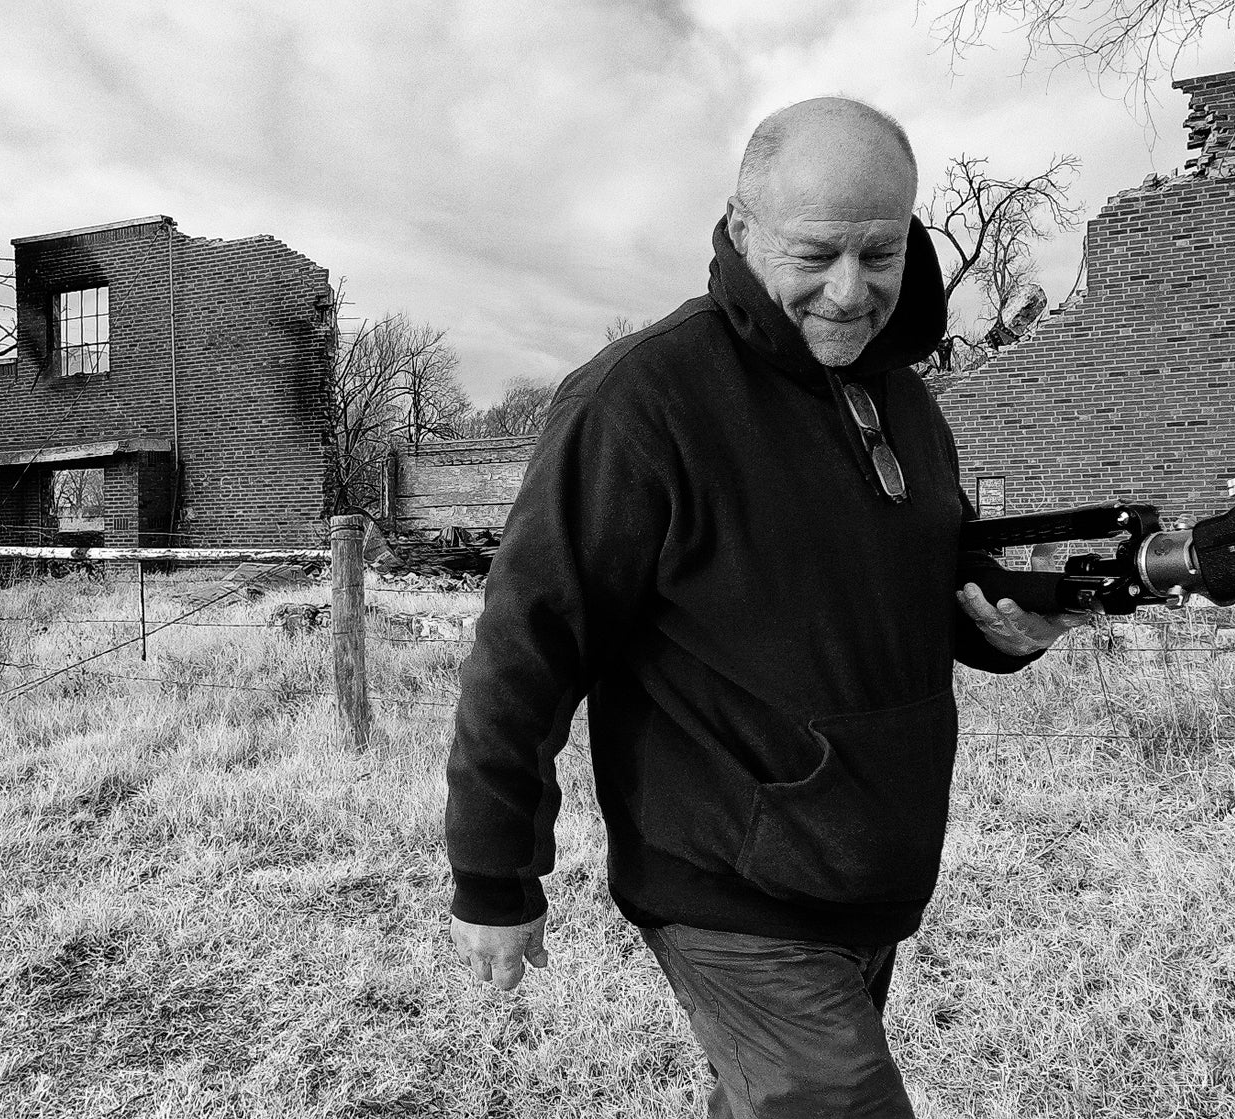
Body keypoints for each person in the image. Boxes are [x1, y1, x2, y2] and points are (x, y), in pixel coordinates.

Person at [444, 97, 1089, 1118]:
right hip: (726, 883)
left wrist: (1001, 631)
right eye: (815, 253)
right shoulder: (642, 400)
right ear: (742, 230)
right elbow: (526, 644)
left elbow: (899, 596)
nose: (850, 290)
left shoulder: (906, 403)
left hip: (868, 862)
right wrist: (492, 871)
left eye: (879, 253)